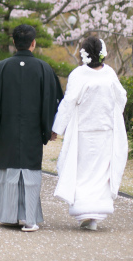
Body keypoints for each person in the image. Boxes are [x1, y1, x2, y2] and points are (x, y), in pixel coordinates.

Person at [0, 24, 64, 232]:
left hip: (7, 131)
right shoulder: (45, 69)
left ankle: (8, 215)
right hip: (33, 131)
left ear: (14, 43)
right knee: (30, 171)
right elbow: (55, 102)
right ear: (33, 43)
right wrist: (51, 128)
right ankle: (29, 219)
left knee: (8, 170)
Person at [51, 36, 128, 231]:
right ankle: (94, 215)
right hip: (105, 131)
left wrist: (57, 129)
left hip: (84, 132)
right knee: (100, 173)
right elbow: (121, 97)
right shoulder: (109, 73)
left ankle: (85, 212)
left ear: (83, 53)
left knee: (82, 172)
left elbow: (68, 103)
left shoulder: (78, 74)